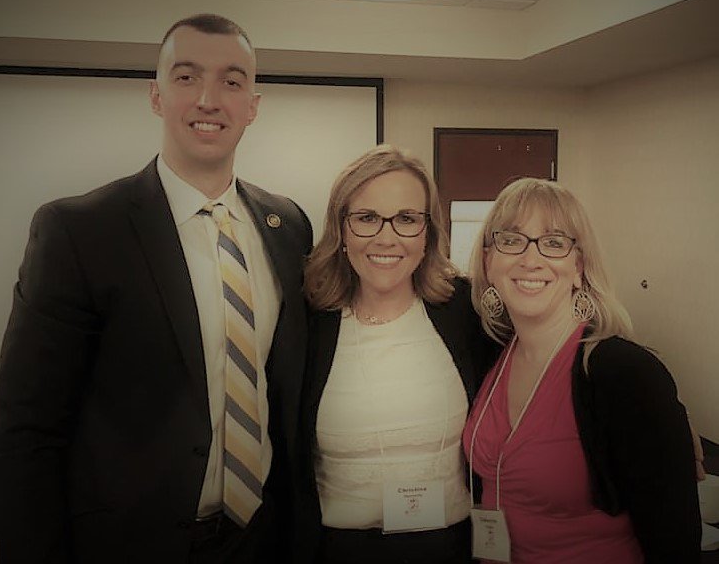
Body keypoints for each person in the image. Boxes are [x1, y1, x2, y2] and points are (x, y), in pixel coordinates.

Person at [0, 14, 313, 564]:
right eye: (187, 77)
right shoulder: (80, 230)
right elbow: (25, 431)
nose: (209, 99)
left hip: (261, 540)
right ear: (156, 95)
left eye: (231, 81)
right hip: (128, 544)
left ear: (252, 105)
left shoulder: (288, 226)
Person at [462, 177, 701, 563]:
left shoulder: (623, 373)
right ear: (489, 262)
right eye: (512, 240)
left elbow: (675, 539)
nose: (530, 259)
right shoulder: (490, 352)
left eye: (554, 242)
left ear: (579, 267)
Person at [299, 145, 498, 564]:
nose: (386, 237)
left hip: (448, 548)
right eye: (367, 218)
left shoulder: (465, 311)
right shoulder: (307, 323)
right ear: (342, 229)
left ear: (428, 232)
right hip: (337, 552)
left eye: (407, 219)